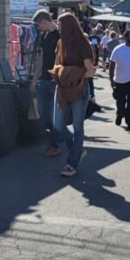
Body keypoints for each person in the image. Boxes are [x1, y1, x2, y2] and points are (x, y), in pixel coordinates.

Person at [50, 12, 96, 177]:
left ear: (68, 26)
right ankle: (77, 151)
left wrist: (72, 75)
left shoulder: (83, 44)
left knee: (77, 127)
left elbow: (90, 71)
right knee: (58, 125)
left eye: (60, 24)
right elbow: (56, 66)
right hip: (62, 89)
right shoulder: (60, 43)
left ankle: (71, 163)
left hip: (79, 89)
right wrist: (60, 74)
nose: (58, 27)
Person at [30, 10, 63, 158]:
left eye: (38, 25)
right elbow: (41, 59)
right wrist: (34, 80)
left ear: (44, 21)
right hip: (44, 80)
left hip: (55, 81)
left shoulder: (60, 36)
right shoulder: (45, 36)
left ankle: (55, 144)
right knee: (42, 113)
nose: (38, 28)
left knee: (53, 114)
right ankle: (56, 138)